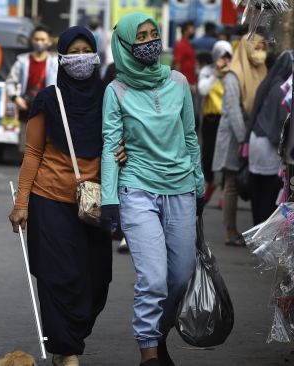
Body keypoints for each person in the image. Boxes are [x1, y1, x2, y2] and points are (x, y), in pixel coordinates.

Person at [8, 27, 125, 366]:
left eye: (85, 50)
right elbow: (32, 152)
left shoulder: (110, 97)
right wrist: (21, 204)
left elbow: (124, 140)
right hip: (49, 200)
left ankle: (70, 337)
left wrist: (122, 151)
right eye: (72, 51)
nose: (80, 57)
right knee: (57, 277)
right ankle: (66, 349)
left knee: (97, 277)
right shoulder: (48, 98)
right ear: (61, 57)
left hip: (94, 203)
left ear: (97, 55)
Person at [100, 13, 205, 366]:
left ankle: (159, 336)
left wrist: (199, 183)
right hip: (137, 190)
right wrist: (110, 199)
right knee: (154, 279)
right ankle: (148, 354)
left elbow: (190, 136)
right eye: (140, 37)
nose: (148, 42)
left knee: (180, 277)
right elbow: (110, 145)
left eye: (153, 34)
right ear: (126, 45)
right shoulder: (115, 91)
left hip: (181, 189)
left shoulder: (178, 82)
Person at [212, 33, 267, 246]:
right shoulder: (233, 74)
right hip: (236, 138)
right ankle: (230, 230)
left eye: (263, 48)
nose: (260, 53)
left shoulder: (261, 72)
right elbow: (233, 111)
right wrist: (244, 140)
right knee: (232, 183)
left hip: (254, 136)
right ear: (246, 49)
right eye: (257, 48)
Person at [247, 51, 294, 224]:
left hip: (255, 140)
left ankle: (255, 225)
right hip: (268, 145)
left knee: (256, 188)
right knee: (267, 191)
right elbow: (281, 121)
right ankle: (260, 230)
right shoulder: (281, 89)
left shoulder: (267, 83)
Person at [5, 25, 58, 154]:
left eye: (43, 39)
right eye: (36, 39)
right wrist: (15, 98)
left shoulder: (56, 63)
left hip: (49, 114)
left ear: (49, 42)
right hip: (27, 113)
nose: (39, 42)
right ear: (32, 40)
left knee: (46, 151)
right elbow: (10, 82)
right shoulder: (22, 61)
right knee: (26, 150)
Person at [197, 40, 234, 203]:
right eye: (222, 56)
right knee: (209, 154)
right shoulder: (207, 71)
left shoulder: (233, 72)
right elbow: (203, 89)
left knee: (226, 155)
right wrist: (215, 75)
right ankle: (210, 183)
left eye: (228, 57)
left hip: (226, 119)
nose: (224, 60)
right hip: (210, 120)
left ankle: (223, 192)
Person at [172, 21, 197, 87]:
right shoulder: (181, 45)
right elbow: (177, 64)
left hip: (189, 83)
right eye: (192, 29)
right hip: (184, 84)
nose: (194, 31)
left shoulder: (188, 44)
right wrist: (179, 84)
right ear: (185, 31)